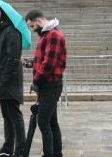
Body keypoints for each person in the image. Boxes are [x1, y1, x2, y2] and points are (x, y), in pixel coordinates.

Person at [25, 9, 66, 157]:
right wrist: (29, 63)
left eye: (32, 26)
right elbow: (43, 60)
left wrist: (35, 81)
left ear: (40, 21)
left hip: (51, 85)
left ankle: (49, 153)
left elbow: (48, 64)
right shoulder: (47, 35)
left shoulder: (53, 35)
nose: (32, 29)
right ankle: (57, 153)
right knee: (52, 121)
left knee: (43, 121)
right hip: (48, 84)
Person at [0, 5, 25, 157]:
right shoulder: (1, 31)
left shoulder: (12, 32)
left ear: (4, 14)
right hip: (2, 79)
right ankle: (8, 148)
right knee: (6, 115)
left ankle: (20, 150)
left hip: (10, 80)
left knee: (14, 115)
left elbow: (12, 59)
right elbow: (0, 55)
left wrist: (2, 79)